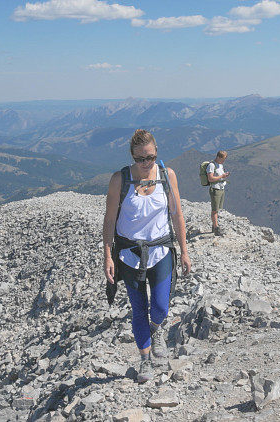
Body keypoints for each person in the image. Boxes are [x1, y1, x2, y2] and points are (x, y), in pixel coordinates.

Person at [102, 129, 191, 383]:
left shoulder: (166, 176)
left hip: (161, 250)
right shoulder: (120, 180)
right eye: (140, 158)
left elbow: (177, 215)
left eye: (150, 157)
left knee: (161, 306)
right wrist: (107, 255)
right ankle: (144, 360)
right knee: (139, 308)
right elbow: (109, 219)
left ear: (156, 154)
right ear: (132, 156)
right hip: (129, 254)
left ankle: (157, 330)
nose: (145, 163)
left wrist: (184, 251)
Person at [206, 151, 230, 236]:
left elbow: (219, 176)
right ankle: (216, 229)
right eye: (223, 159)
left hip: (221, 188)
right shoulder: (211, 165)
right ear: (219, 157)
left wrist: (224, 176)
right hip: (215, 189)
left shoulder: (220, 165)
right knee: (215, 210)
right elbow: (210, 179)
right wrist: (221, 176)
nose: (223, 161)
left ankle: (214, 226)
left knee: (218, 208)